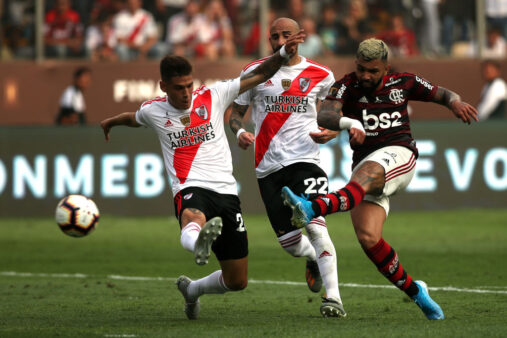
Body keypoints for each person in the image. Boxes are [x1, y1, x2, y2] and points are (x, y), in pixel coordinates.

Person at [99, 31, 305, 320]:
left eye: (188, 85)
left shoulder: (213, 95)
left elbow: (259, 75)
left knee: (237, 281)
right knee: (193, 215)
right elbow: (132, 119)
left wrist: (282, 54)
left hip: (227, 193)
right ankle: (198, 242)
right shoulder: (154, 110)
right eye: (178, 88)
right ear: (163, 86)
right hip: (190, 186)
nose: (185, 93)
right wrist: (111, 122)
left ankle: (193, 289)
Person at [282, 38, 479, 320]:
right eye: (361, 68)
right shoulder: (346, 86)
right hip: (366, 166)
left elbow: (441, 93)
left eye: (372, 71)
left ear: (385, 67)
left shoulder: (405, 82)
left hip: (400, 155)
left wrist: (455, 102)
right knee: (368, 238)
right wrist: (346, 124)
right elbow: (326, 115)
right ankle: (417, 292)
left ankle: (312, 208)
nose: (365, 75)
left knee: (365, 175)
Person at [230, 18, 361, 318]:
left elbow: (335, 114)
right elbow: (235, 114)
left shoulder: (321, 75)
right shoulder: (255, 72)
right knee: (289, 244)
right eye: (274, 36)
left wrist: (333, 131)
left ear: (298, 38)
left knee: (315, 225)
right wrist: (239, 132)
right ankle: (314, 258)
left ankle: (334, 299)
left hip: (306, 161)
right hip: (267, 167)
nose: (280, 40)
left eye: (286, 35)